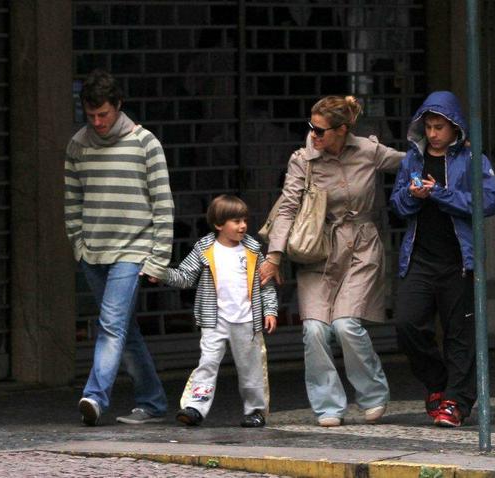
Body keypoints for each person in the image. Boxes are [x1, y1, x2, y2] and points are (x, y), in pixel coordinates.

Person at [259, 95, 404, 427]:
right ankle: (328, 406)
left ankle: (373, 395)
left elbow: (409, 161)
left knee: (346, 325)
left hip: (361, 247)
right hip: (317, 251)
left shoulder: (369, 150)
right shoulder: (303, 160)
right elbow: (287, 208)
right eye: (311, 128)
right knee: (313, 330)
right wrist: (274, 256)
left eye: (320, 130)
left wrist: (453, 150)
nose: (313, 135)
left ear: (342, 130)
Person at [64, 69, 173, 426]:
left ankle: (95, 397)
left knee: (110, 325)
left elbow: (162, 203)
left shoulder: (145, 143)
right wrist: (79, 244)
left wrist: (157, 259)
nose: (97, 122)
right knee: (124, 329)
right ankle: (153, 402)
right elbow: (72, 198)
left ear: (119, 106)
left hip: (133, 249)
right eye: (91, 115)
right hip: (93, 251)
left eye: (104, 115)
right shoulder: (78, 145)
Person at [389, 90, 495, 428]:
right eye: (428, 127)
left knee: (459, 335)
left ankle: (457, 402)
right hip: (419, 258)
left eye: (439, 127)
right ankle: (437, 384)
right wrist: (413, 195)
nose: (433, 133)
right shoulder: (412, 159)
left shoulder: (473, 159)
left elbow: (488, 203)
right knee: (406, 323)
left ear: (455, 128)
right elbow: (396, 206)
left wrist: (439, 193)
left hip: (458, 261)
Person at [159, 195, 278, 428]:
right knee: (208, 362)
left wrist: (270, 310)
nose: (243, 225)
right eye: (236, 221)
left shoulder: (253, 249)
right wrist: (162, 274)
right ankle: (195, 407)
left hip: (247, 320)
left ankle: (256, 411)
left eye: (244, 220)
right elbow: (184, 276)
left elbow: (267, 284)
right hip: (214, 320)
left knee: (251, 368)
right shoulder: (205, 249)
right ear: (219, 224)